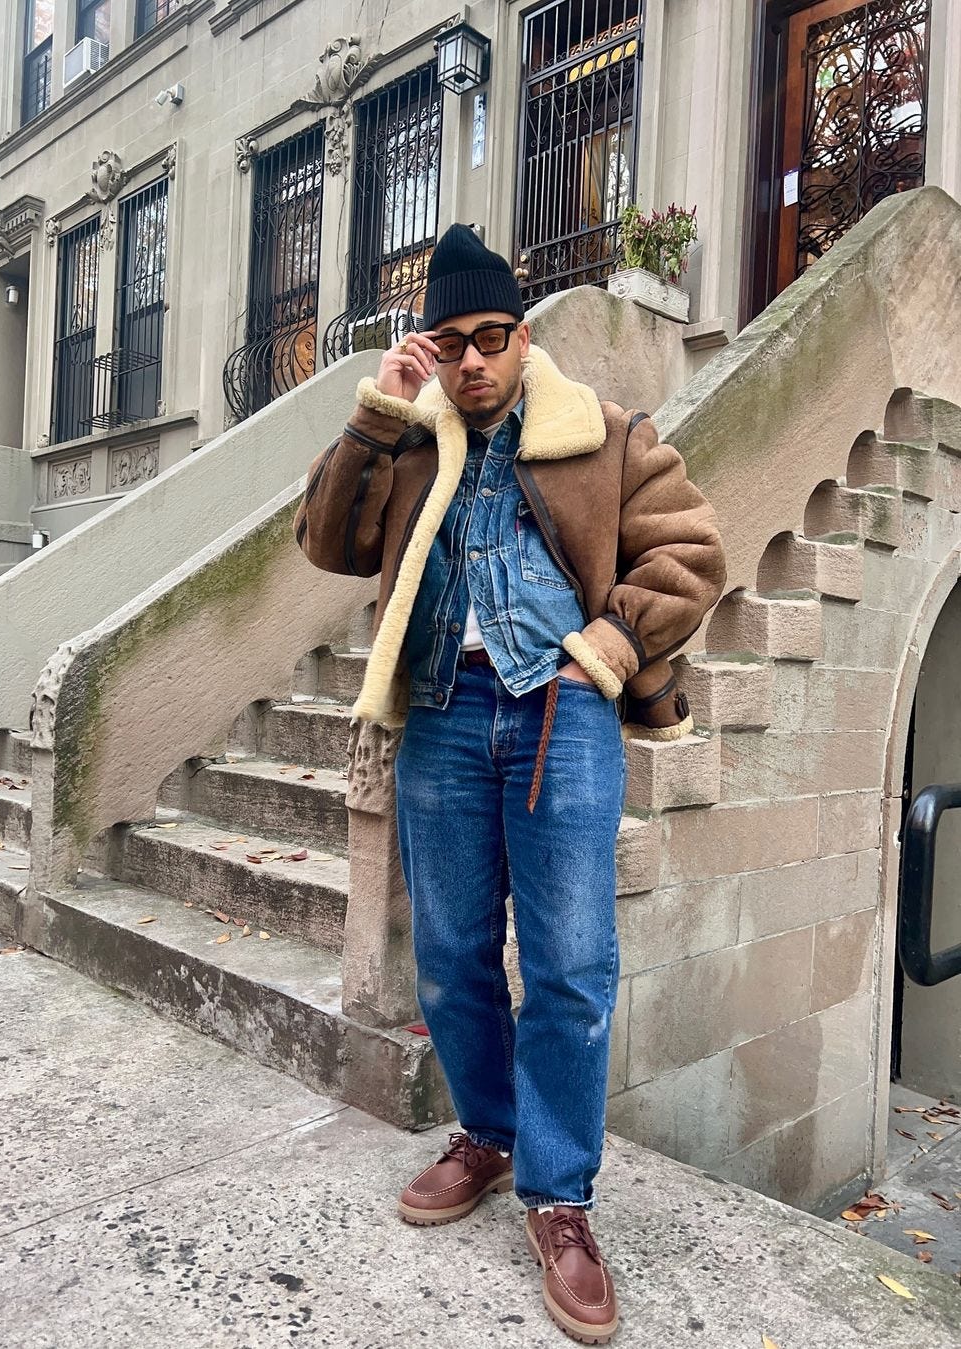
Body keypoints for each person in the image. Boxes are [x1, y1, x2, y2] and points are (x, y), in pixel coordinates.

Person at [294, 223, 726, 1343]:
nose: (475, 358)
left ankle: (562, 1196)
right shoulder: (407, 441)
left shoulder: (603, 433)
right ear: (429, 348)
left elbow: (689, 552)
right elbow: (324, 539)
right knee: (449, 950)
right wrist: (376, 411)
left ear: (522, 337)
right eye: (452, 341)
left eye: (492, 336)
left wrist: (607, 654)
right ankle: (487, 1134)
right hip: (443, 712)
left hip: (559, 715)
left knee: (573, 961)